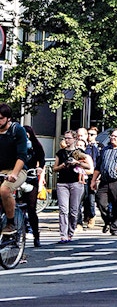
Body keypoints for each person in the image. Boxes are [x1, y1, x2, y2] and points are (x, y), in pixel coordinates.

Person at [53, 130, 88, 242]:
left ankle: (70, 232)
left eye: (69, 138)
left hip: (76, 182)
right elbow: (54, 168)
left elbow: (88, 165)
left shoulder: (79, 152)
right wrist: (63, 165)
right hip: (62, 183)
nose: (67, 140)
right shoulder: (60, 153)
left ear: (74, 139)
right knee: (63, 210)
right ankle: (63, 234)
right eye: (65, 138)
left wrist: (77, 163)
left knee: (74, 210)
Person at [0, 104, 29, 241]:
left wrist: (15, 174)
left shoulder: (17, 130)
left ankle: (11, 224)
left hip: (16, 169)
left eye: (0, 118)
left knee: (5, 190)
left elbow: (22, 156)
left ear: (8, 118)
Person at [93, 128, 117, 236]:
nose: (112, 138)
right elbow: (98, 166)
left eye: (115, 136)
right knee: (100, 201)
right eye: (111, 136)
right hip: (105, 180)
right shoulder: (105, 150)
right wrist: (93, 180)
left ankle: (115, 227)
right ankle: (108, 220)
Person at [19, 123, 44, 247]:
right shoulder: (17, 145)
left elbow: (42, 159)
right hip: (18, 177)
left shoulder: (35, 146)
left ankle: (36, 235)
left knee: (31, 208)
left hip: (30, 177)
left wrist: (39, 169)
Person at [79, 126, 100, 230]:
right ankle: (81, 220)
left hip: (91, 175)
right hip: (80, 176)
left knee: (90, 198)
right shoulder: (80, 147)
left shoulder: (94, 148)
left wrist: (96, 176)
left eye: (92, 134)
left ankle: (91, 216)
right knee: (81, 199)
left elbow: (96, 161)